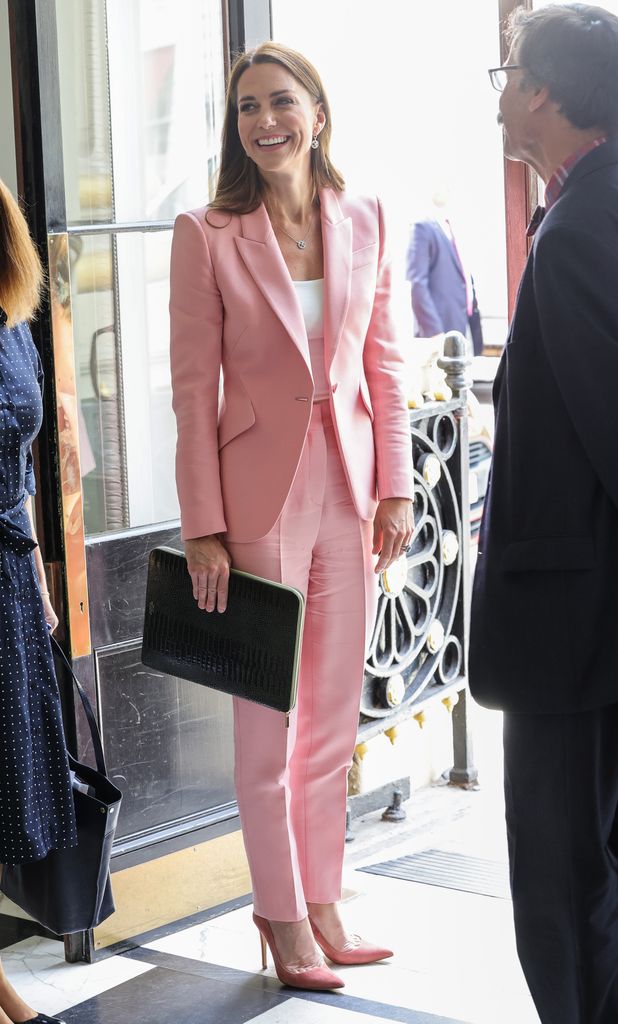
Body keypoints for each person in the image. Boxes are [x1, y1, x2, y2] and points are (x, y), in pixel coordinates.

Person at [169, 42, 414, 991]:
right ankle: (278, 916)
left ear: (317, 112)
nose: (263, 122)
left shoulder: (368, 216)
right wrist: (202, 525)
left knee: (329, 723)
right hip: (256, 500)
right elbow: (195, 393)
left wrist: (397, 485)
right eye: (245, 109)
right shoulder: (208, 232)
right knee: (266, 720)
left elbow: (385, 365)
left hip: (349, 490)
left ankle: (323, 901)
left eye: (279, 102)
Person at [470, 6, 618, 1023]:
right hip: (590, 612)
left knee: (563, 877)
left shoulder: (579, 230)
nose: (501, 85)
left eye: (510, 68)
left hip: (576, 619)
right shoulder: (584, 206)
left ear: (549, 95)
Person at [0, 179, 77, 1024]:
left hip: (8, 575)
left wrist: (42, 576)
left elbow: (21, 465)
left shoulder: (13, 320)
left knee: (7, 781)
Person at [405, 183, 484, 354]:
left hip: (463, 325)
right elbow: (417, 283)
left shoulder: (453, 227)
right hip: (440, 334)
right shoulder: (422, 228)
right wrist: (434, 332)